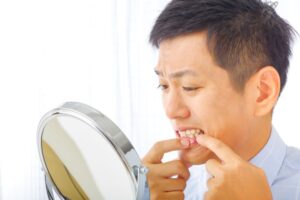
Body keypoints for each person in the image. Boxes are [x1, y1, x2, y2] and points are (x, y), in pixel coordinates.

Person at [141, 0, 300, 199]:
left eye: (190, 87)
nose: (171, 110)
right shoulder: (162, 189)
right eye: (163, 85)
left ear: (262, 92)